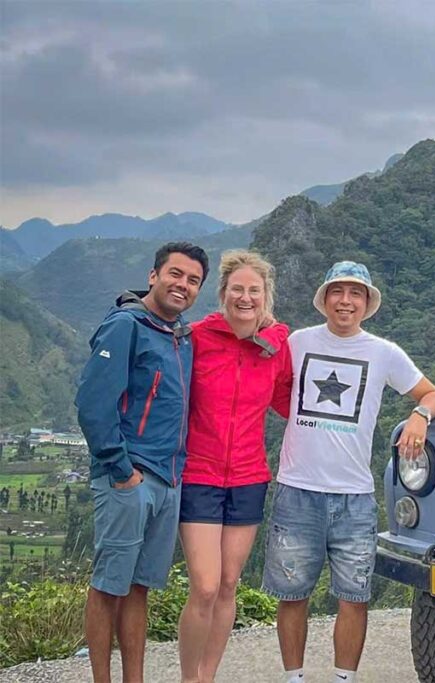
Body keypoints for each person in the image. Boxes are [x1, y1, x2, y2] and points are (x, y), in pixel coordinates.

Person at [262, 261, 435, 683]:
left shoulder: (384, 353)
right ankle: (294, 677)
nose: (346, 301)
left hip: (354, 497)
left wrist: (419, 415)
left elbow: (434, 394)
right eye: (338, 292)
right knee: (292, 594)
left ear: (366, 303)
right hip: (296, 489)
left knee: (354, 597)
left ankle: (344, 678)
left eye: (355, 294)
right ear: (325, 299)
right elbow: (265, 376)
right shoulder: (298, 342)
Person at [76, 242, 209, 683]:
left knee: (139, 588)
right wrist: (120, 469)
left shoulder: (181, 337)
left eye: (192, 280)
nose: (182, 285)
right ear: (154, 276)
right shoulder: (125, 326)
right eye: (175, 274)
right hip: (128, 479)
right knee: (108, 585)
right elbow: (94, 404)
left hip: (169, 479)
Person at [177, 250, 293, 683]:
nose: (246, 298)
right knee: (204, 586)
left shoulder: (276, 348)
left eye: (254, 291)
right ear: (223, 294)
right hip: (199, 475)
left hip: (249, 477)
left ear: (266, 298)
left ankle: (208, 676)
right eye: (237, 289)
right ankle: (190, 678)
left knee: (228, 585)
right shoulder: (195, 338)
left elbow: (290, 403)